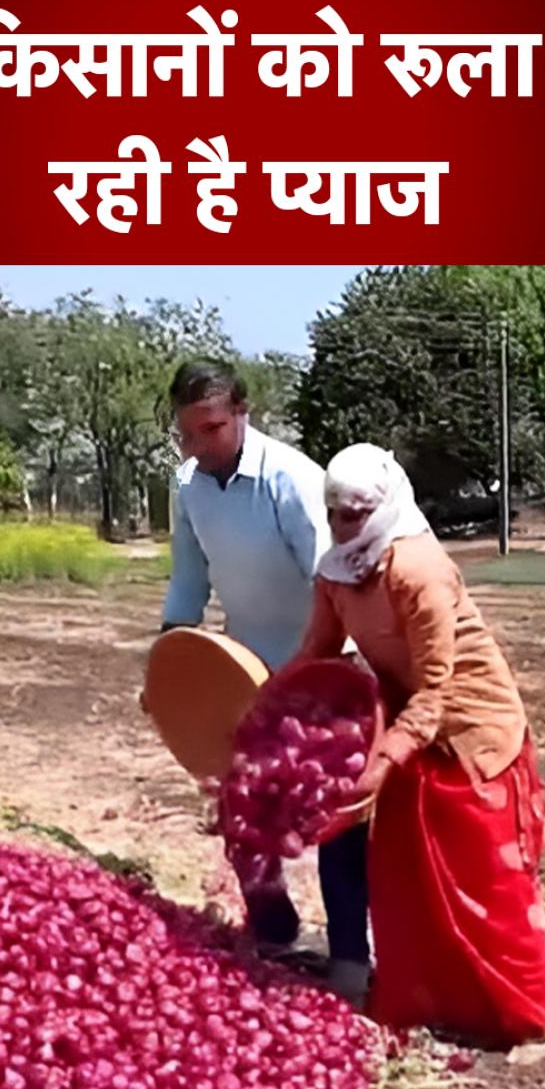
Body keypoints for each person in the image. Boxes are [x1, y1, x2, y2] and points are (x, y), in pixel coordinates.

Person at [295, 443, 545, 1047]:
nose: (346, 525)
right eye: (336, 512)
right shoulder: (336, 570)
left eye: (358, 512)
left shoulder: (418, 569)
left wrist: (381, 762)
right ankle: (430, 1000)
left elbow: (437, 690)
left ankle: (525, 1019)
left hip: (471, 731)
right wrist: (264, 709)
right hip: (406, 728)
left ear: (385, 506)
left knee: (486, 887)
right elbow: (315, 653)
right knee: (407, 878)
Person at [158, 360, 370, 995]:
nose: (198, 446)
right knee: (241, 809)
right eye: (186, 434)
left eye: (211, 430)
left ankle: (351, 960)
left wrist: (320, 673)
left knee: (336, 818)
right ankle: (275, 933)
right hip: (247, 669)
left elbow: (329, 583)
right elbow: (190, 577)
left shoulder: (291, 479)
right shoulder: (189, 485)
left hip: (324, 667)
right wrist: (171, 655)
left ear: (243, 414)